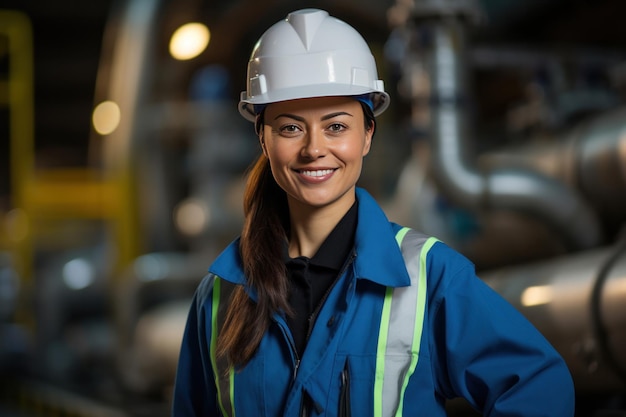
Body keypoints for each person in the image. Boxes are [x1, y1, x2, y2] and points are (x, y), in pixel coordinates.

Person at [172, 8, 575, 417]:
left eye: (336, 126)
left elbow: (539, 386)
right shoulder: (220, 295)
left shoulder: (428, 277)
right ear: (263, 137)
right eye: (290, 127)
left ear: (367, 135)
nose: (314, 149)